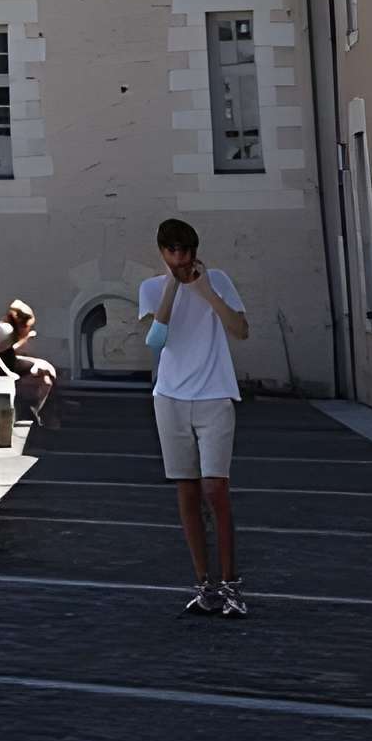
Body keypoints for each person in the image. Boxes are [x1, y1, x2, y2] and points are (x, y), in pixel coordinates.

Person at [140, 217, 250, 619]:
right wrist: (172, 285)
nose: (180, 258)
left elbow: (241, 330)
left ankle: (232, 583)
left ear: (195, 251)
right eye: (172, 251)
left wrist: (206, 292)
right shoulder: (151, 288)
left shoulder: (218, 279)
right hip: (170, 398)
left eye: (185, 250)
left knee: (215, 490)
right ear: (162, 252)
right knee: (186, 492)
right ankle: (204, 585)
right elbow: (157, 339)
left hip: (215, 395)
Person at [0, 298, 59, 425]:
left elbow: (9, 350)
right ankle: (35, 409)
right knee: (46, 380)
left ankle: (37, 409)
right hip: (4, 368)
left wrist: (26, 341)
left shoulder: (9, 329)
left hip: (10, 362)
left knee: (46, 369)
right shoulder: (6, 330)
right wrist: (10, 375)